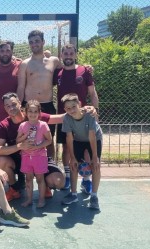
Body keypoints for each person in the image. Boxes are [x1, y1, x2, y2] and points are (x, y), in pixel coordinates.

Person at [0, 93, 65, 201]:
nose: (11, 108)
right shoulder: (4, 125)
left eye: (13, 104)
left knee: (59, 182)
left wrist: (84, 110)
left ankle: (45, 184)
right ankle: (14, 188)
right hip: (20, 160)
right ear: (4, 108)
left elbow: (59, 118)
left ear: (19, 103)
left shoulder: (32, 113)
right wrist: (20, 146)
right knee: (0, 161)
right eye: (8, 106)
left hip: (40, 156)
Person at [56, 44, 99, 191]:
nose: (68, 56)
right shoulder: (58, 73)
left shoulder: (84, 70)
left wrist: (95, 111)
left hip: (82, 118)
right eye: (65, 53)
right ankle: (68, 176)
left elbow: (92, 93)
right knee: (67, 148)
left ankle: (86, 180)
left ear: (75, 55)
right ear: (62, 56)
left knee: (85, 150)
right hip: (65, 117)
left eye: (71, 53)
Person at [17, 30, 61, 157]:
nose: (34, 44)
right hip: (28, 106)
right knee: (27, 137)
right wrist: (20, 106)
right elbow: (20, 87)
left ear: (43, 42)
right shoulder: (25, 64)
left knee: (48, 138)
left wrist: (86, 67)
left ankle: (50, 167)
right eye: (31, 42)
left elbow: (69, 69)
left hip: (47, 105)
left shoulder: (54, 61)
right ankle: (27, 168)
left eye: (37, 41)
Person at [61, 93, 102, 210]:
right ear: (65, 109)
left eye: (74, 106)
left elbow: (92, 136)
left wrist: (94, 156)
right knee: (73, 164)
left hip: (94, 139)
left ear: (79, 104)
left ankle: (94, 196)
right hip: (78, 139)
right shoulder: (67, 118)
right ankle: (73, 194)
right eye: (68, 108)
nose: (71, 110)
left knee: (96, 164)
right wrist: (72, 157)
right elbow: (69, 138)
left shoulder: (89, 115)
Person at [16, 100, 52, 208]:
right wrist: (24, 136)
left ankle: (41, 200)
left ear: (39, 112)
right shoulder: (23, 125)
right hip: (26, 156)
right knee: (28, 179)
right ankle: (29, 199)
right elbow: (18, 140)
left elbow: (49, 140)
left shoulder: (43, 125)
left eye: (35, 111)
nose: (32, 114)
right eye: (30, 111)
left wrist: (37, 147)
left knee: (40, 179)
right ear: (26, 112)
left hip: (39, 157)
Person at [0, 40, 22, 134]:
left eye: (8, 51)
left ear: (12, 52)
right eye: (2, 51)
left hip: (16, 115)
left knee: (17, 145)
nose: (5, 53)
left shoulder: (20, 65)